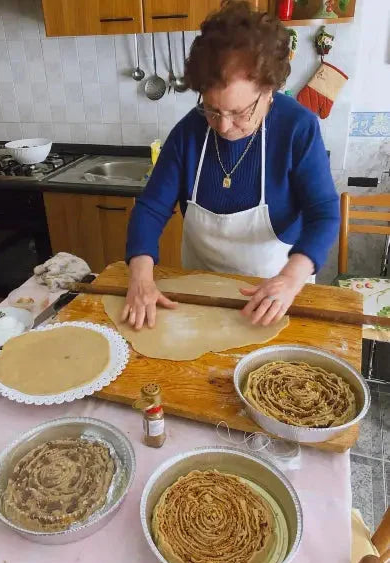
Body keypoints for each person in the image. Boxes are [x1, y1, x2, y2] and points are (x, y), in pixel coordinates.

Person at [124, 0, 339, 330]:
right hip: (199, 296)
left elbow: (323, 212)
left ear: (269, 90)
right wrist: (140, 275)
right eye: (212, 109)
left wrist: (293, 276)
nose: (223, 126)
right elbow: (152, 207)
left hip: (272, 298)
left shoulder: (298, 127)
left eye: (240, 112)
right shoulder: (188, 132)